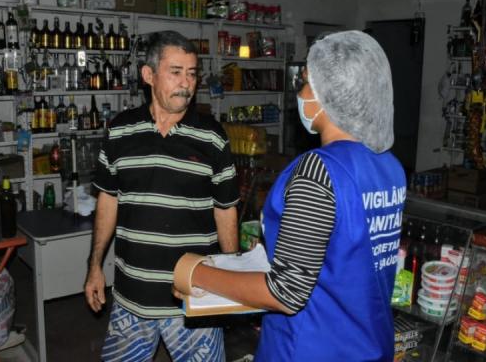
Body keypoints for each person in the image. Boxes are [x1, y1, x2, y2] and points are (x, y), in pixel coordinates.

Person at [174, 30, 407, 361]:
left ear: (333, 93)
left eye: (308, 83)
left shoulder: (318, 170)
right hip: (367, 343)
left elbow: (286, 292)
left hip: (311, 347)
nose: (302, 92)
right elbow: (345, 251)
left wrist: (197, 273)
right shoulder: (390, 166)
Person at [85, 30, 239, 361]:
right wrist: (94, 266)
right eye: (176, 72)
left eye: (192, 73)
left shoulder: (212, 137)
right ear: (148, 75)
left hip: (193, 296)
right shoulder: (120, 130)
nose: (186, 83)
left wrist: (231, 281)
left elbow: (226, 211)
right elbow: (107, 202)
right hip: (132, 299)